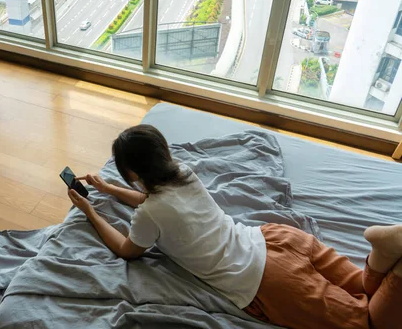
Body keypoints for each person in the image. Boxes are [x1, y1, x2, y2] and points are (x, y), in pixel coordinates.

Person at [67, 124, 402, 329]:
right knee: (360, 283)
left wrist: (90, 211)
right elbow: (153, 204)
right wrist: (108, 190)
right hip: (276, 239)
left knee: (365, 323)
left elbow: (128, 250)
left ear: (134, 175)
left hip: (267, 279)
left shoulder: (150, 215)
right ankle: (382, 253)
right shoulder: (184, 173)